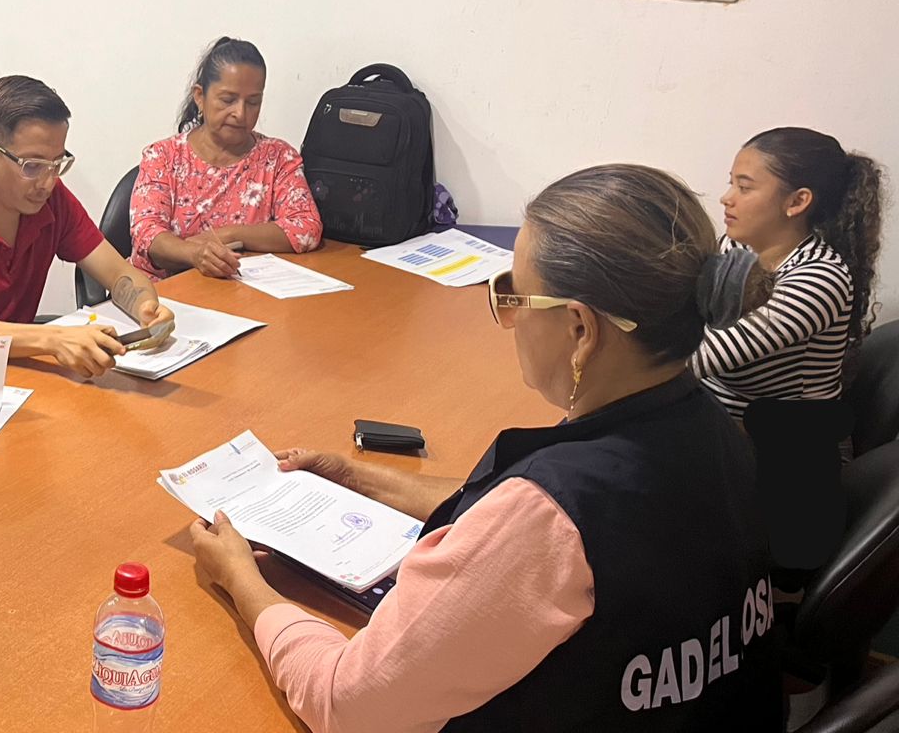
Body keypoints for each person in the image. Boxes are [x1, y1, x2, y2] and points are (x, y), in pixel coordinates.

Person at [190, 164, 783, 731]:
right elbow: (524, 519)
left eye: (514, 295)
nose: (508, 319)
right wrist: (356, 476)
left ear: (580, 330)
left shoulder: (545, 521)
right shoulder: (711, 425)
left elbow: (344, 705)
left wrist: (241, 579)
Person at [0, 75, 174, 378]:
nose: (48, 182)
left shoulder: (51, 200)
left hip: (9, 371)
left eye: (57, 164)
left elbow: (119, 274)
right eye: (32, 166)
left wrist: (147, 308)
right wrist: (53, 339)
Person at [694, 127, 886, 419]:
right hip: (712, 413)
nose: (726, 198)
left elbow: (700, 358)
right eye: (731, 183)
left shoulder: (820, 278)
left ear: (797, 202)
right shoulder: (736, 246)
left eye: (744, 188)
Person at [130, 37, 322, 279]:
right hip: (163, 291)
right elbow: (147, 235)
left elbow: (306, 227)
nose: (240, 113)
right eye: (228, 100)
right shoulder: (162, 158)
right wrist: (195, 254)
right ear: (200, 96)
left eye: (253, 102)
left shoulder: (278, 158)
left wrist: (229, 235)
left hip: (240, 291)